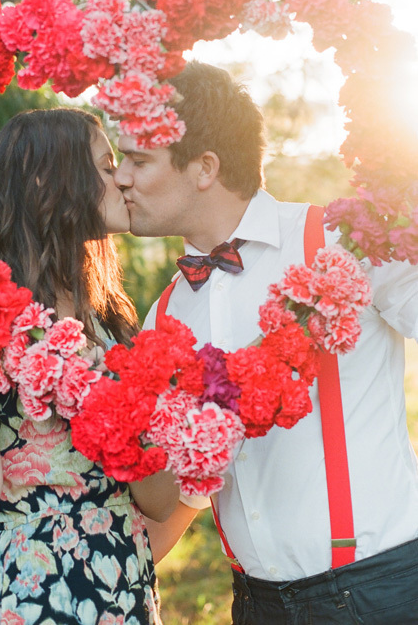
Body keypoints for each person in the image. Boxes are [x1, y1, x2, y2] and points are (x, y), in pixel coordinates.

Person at [114, 60, 418, 625]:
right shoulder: (165, 316)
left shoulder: (343, 241)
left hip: (384, 592)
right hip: (255, 606)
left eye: (138, 160)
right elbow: (185, 489)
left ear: (204, 167)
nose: (121, 178)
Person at [0, 107, 179, 625]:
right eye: (106, 166)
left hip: (122, 587)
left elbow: (159, 500)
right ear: (46, 181)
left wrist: (144, 424)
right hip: (34, 596)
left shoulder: (112, 323)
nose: (121, 179)